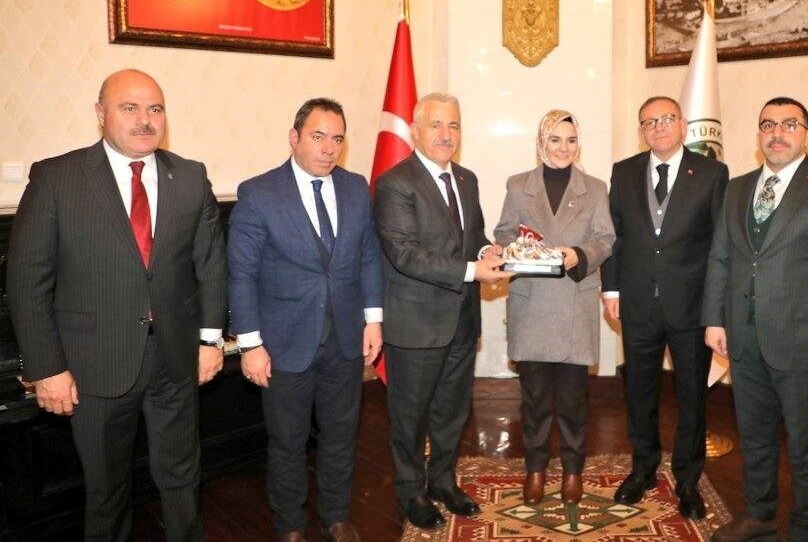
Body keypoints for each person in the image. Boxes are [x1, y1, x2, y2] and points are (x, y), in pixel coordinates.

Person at [7, 69, 227, 541]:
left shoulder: (190, 176)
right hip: (95, 366)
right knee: (107, 493)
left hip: (175, 359)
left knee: (183, 477)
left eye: (155, 108)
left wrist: (211, 340)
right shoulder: (57, 177)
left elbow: (210, 264)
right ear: (100, 113)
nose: (145, 119)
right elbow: (27, 280)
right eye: (130, 108)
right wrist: (46, 367)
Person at [702, 97, 808, 542]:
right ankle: (759, 518)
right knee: (755, 439)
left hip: (805, 346)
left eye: (790, 124)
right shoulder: (737, 189)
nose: (777, 133)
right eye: (768, 125)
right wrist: (715, 318)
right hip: (743, 340)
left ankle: (805, 531)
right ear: (758, 135)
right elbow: (721, 257)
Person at [228, 98, 384, 542]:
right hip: (283, 344)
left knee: (341, 436)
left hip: (345, 341)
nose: (329, 148)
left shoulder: (356, 188)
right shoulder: (259, 193)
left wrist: (373, 319)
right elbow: (241, 275)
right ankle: (291, 525)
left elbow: (368, 256)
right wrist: (251, 345)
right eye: (318, 136)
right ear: (294, 138)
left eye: (337, 139)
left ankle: (336, 516)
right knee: (287, 442)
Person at [373, 93, 509, 530]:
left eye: (453, 125)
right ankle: (411, 491)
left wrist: (488, 251)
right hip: (416, 323)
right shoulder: (396, 183)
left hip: (462, 319)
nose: (446, 134)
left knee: (452, 411)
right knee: (410, 417)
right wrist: (472, 270)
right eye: (436, 125)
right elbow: (404, 254)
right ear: (415, 130)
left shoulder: (466, 179)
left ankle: (444, 482)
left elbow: (473, 237)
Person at [601, 95, 728, 520]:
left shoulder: (711, 173)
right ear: (641, 130)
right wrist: (611, 289)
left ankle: (688, 480)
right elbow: (614, 236)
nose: (657, 127)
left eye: (666, 118)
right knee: (639, 393)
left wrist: (716, 308)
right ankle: (643, 468)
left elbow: (720, 245)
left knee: (692, 397)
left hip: (691, 307)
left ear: (683, 124)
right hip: (637, 303)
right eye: (649, 122)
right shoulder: (624, 172)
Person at [493, 110, 615, 529]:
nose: (564, 148)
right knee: (535, 401)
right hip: (531, 305)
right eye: (555, 139)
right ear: (541, 141)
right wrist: (519, 247)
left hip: (574, 307)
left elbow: (606, 239)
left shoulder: (595, 188)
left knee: (574, 402)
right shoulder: (517, 185)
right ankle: (536, 470)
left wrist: (579, 255)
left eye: (571, 139)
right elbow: (503, 232)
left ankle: (573, 472)